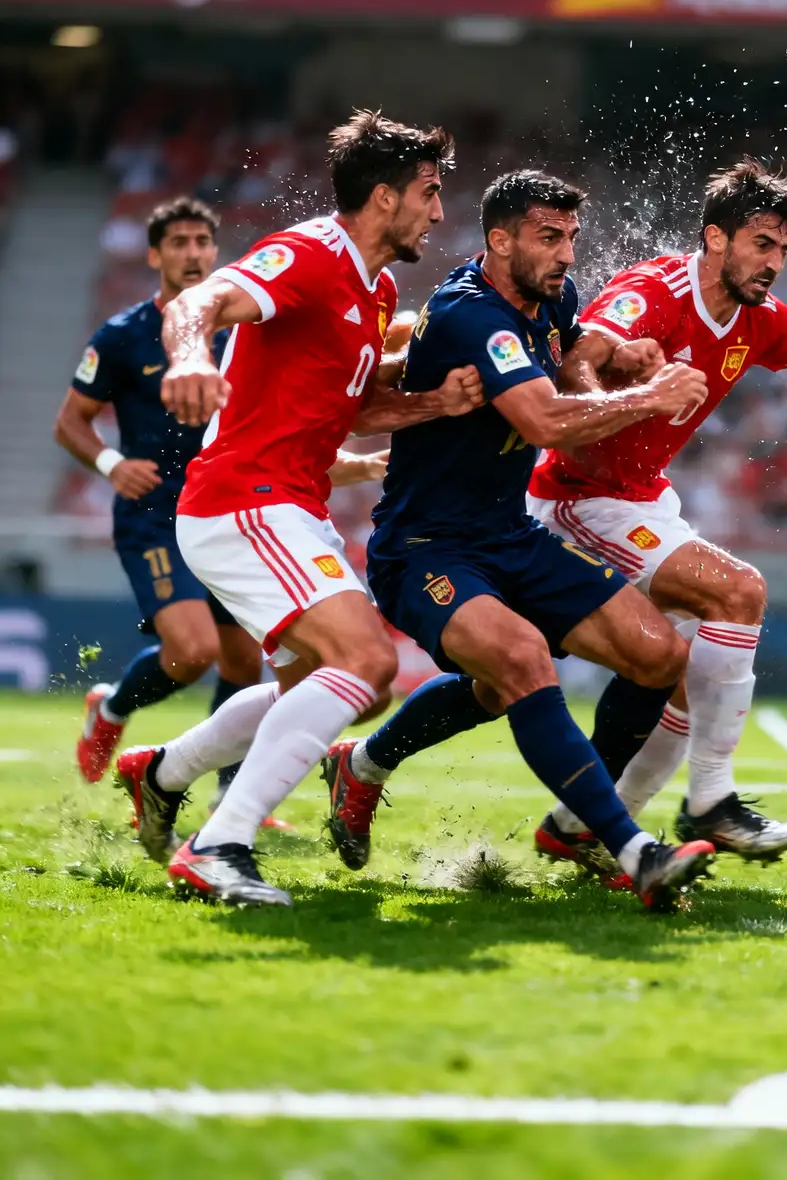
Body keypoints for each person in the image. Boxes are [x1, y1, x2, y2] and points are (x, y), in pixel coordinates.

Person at [324, 157, 787, 873]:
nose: (774, 263)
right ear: (715, 238)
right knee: (733, 593)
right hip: (574, 495)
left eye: (784, 250)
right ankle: (699, 804)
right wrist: (633, 387)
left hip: (619, 501)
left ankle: (388, 768)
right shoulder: (653, 290)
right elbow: (578, 364)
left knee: (600, 668)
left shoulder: (757, 320)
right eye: (761, 244)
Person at [114, 109, 483, 907]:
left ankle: (164, 772)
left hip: (288, 505)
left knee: (319, 683)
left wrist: (433, 405)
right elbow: (199, 300)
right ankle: (219, 845)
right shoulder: (312, 254)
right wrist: (187, 356)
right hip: (245, 500)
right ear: (383, 198)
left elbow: (349, 403)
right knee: (368, 663)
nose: (440, 212)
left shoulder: (376, 287)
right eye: (430, 192)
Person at [323, 168, 718, 910]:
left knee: (659, 653)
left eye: (571, 236)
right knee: (522, 661)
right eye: (548, 237)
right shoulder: (472, 316)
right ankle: (631, 849)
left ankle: (367, 764)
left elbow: (567, 362)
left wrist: (617, 360)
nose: (567, 254)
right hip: (425, 548)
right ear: (499, 240)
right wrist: (651, 397)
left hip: (510, 535)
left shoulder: (549, 296)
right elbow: (543, 422)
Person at [55, 198, 267, 795]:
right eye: (179, 242)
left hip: (228, 508)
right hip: (153, 514)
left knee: (245, 663)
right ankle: (114, 708)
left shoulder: (239, 330)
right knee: (195, 650)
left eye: (203, 241)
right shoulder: (123, 336)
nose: (193, 252)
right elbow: (71, 422)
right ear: (155, 255)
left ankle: (232, 795)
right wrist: (111, 463)